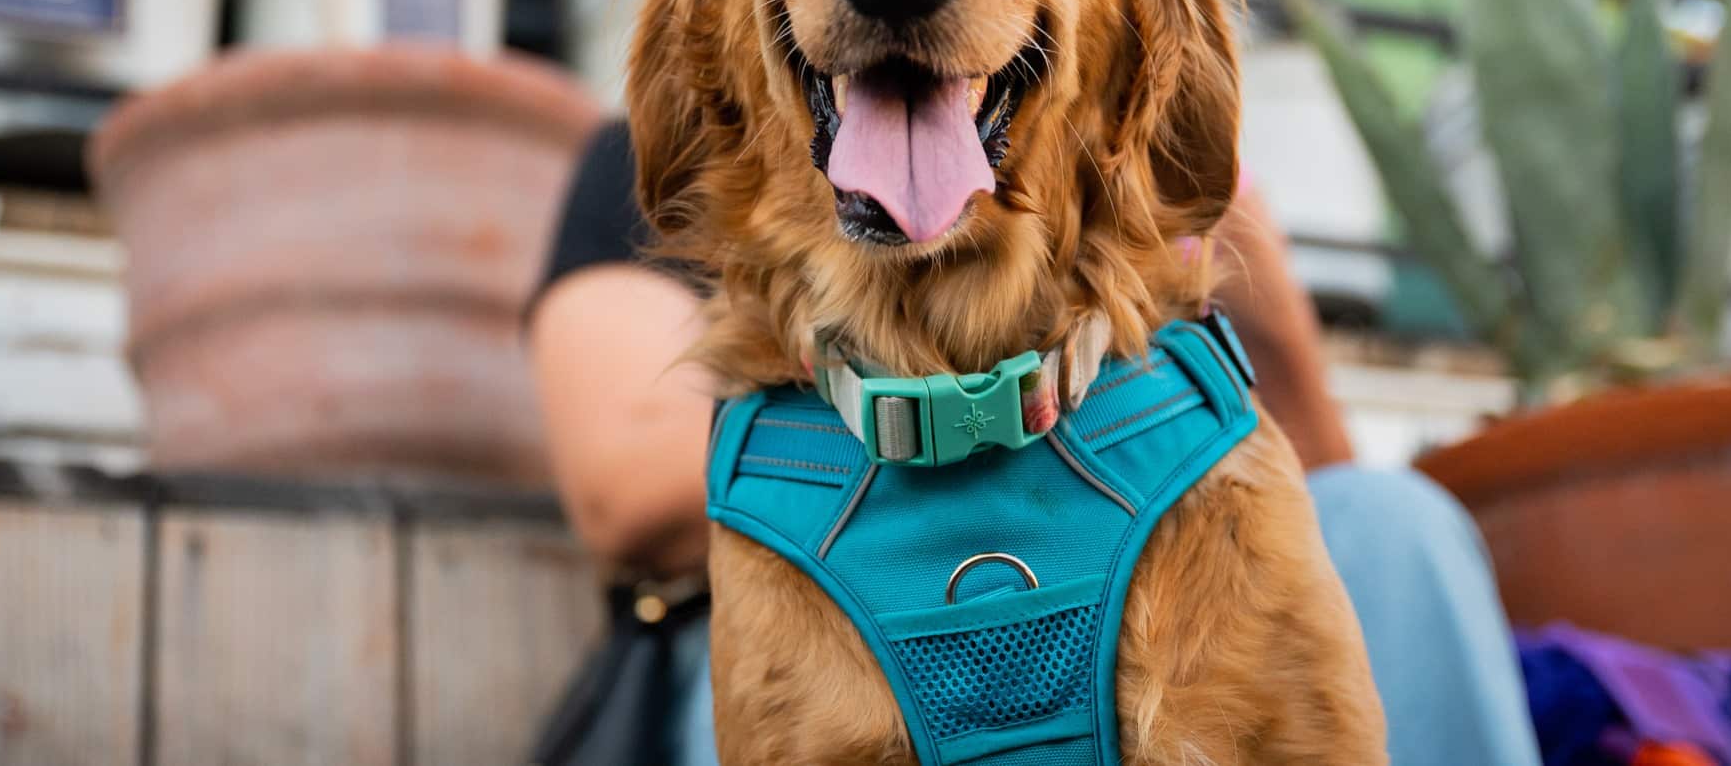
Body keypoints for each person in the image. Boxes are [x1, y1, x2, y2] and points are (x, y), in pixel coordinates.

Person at [529, 120, 1541, 766]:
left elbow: (1313, 492)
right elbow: (621, 486)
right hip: (800, 616)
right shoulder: (661, 148)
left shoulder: (1111, 138)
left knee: (1394, 522)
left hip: (1158, 587)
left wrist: (1263, 318)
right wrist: (942, 383)